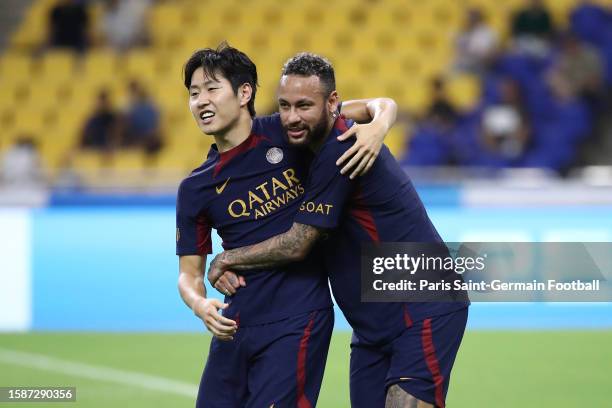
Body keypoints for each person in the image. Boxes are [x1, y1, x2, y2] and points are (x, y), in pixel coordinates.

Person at [208, 53, 469, 408]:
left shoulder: (342, 150)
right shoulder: (300, 129)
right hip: (373, 323)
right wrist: (381, 119)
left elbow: (298, 243)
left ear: (331, 103)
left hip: (424, 303)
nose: (291, 116)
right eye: (284, 105)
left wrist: (227, 258)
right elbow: (378, 104)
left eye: (303, 105)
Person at [176, 44, 397, 407]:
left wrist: (378, 128)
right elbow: (188, 274)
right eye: (193, 93)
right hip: (236, 324)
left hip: (297, 320)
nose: (201, 101)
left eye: (212, 89)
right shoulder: (195, 187)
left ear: (244, 92)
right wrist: (200, 304)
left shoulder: (291, 129)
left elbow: (379, 104)